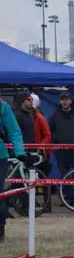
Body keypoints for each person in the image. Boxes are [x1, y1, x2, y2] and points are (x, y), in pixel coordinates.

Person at [48, 93, 74, 207]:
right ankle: (68, 198)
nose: (64, 102)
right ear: (60, 101)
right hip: (61, 149)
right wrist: (55, 144)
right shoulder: (54, 116)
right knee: (64, 174)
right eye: (62, 100)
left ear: (70, 101)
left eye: (67, 99)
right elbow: (50, 132)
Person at [0, 99, 27, 243]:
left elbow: (14, 130)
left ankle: (0, 227)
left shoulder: (3, 107)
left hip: (0, 155)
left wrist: (20, 152)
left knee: (0, 194)